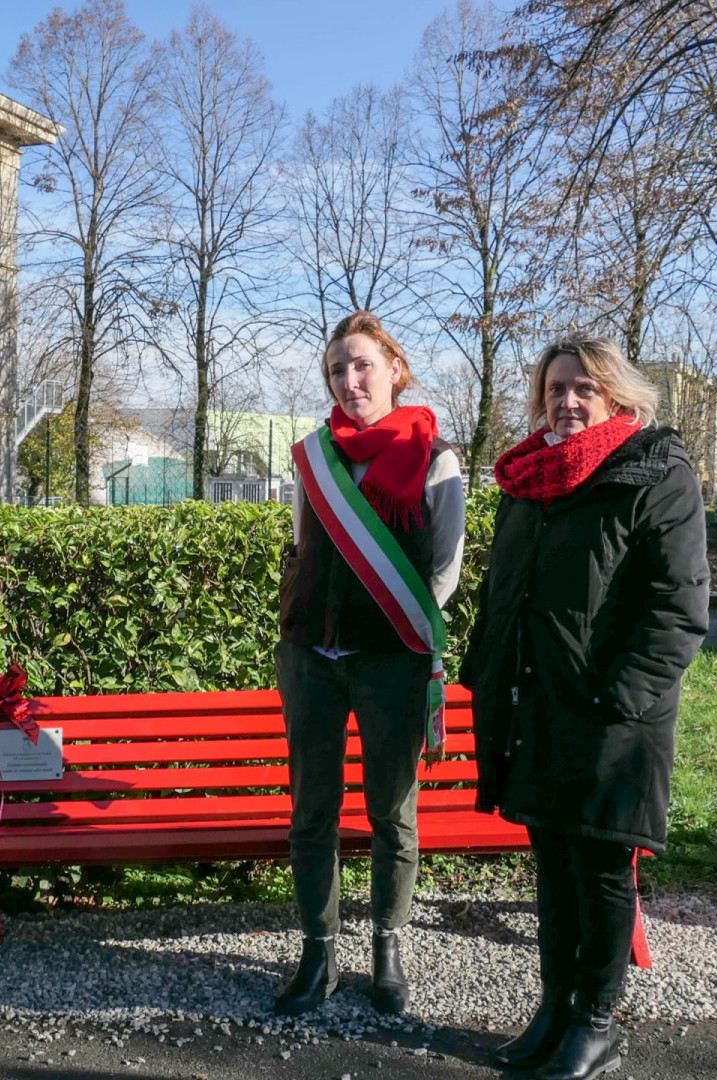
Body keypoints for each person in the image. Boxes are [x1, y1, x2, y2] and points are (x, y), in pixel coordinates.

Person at [461, 336, 708, 1080]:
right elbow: (506, 592)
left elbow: (678, 606)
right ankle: (556, 1006)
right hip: (532, 701)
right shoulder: (528, 479)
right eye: (556, 388)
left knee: (600, 867)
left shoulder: (654, 472)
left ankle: (596, 1023)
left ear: (617, 398)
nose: (567, 401)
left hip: (612, 715)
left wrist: (619, 698)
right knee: (552, 863)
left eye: (584, 389)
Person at [273, 310, 466, 1017]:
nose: (349, 380)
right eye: (336, 370)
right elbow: (305, 547)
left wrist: (393, 632)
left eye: (361, 365)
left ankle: (387, 949)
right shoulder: (313, 457)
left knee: (391, 812)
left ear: (394, 369)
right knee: (311, 813)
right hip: (311, 659)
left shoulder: (435, 457)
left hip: (392, 662)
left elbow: (442, 573)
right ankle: (316, 953)